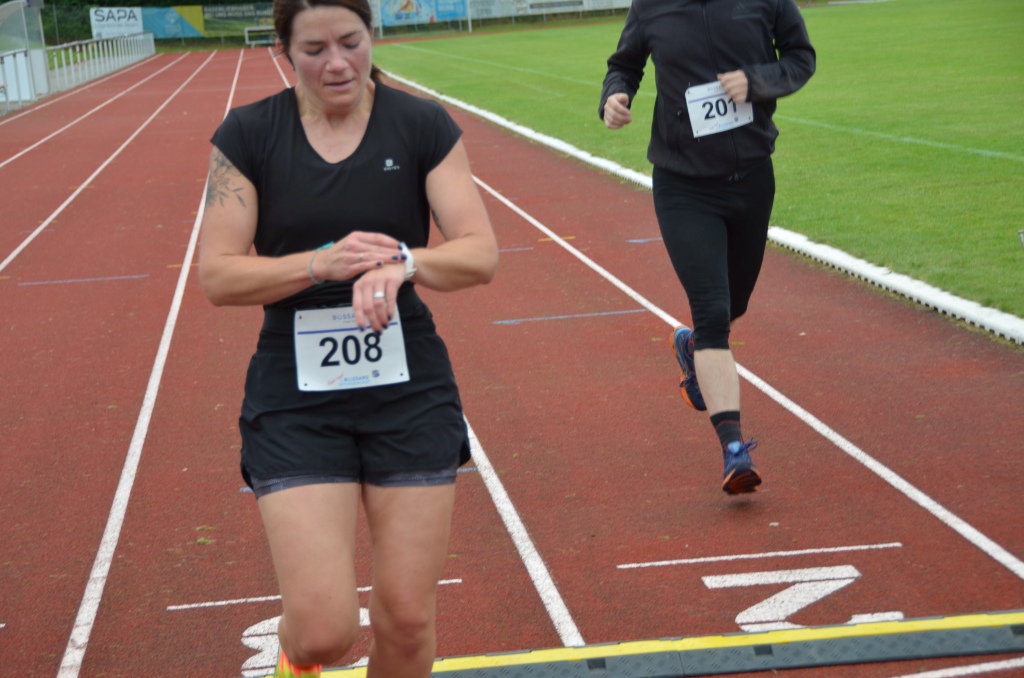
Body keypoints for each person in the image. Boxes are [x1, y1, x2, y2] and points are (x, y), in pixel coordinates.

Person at [197, 0, 498, 673]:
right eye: (314, 50)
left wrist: (405, 264)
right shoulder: (248, 135)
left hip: (409, 387)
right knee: (322, 632)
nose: (337, 63)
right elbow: (217, 275)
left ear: (372, 35)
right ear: (283, 50)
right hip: (296, 396)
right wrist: (318, 265)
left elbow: (479, 253)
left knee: (408, 619)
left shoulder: (421, 125)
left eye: (350, 42)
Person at [599, 0, 815, 495]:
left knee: (734, 303)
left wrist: (756, 81)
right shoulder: (651, 5)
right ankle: (734, 450)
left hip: (752, 179)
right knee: (714, 312)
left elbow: (800, 57)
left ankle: (693, 347)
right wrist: (614, 96)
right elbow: (624, 64)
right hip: (684, 186)